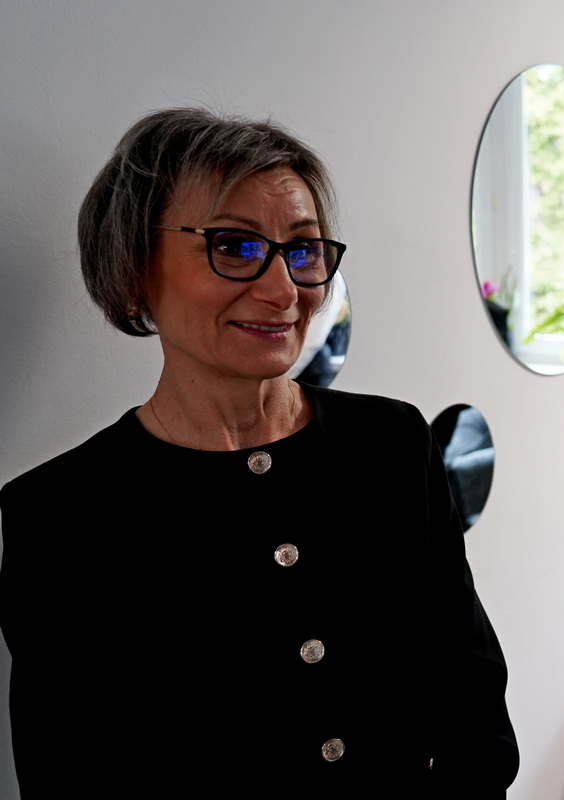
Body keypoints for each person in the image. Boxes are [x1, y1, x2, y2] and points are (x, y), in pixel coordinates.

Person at [0, 108, 519, 797]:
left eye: (303, 250)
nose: (283, 291)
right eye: (234, 246)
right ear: (133, 266)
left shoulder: (392, 444)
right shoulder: (59, 514)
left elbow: (472, 707)